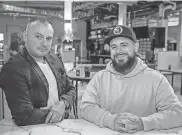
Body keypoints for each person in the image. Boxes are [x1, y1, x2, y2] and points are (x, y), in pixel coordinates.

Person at [80, 25, 182, 133]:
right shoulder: (99, 78)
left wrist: (145, 123)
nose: (118, 51)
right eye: (114, 47)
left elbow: (177, 113)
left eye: (124, 45)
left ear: (136, 47)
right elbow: (86, 107)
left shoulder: (156, 80)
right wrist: (110, 120)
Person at [0, 18, 76, 126]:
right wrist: (65, 114)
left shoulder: (55, 60)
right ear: (25, 36)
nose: (44, 43)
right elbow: (24, 116)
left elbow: (71, 90)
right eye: (38, 37)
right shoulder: (13, 68)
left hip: (61, 127)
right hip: (34, 129)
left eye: (48, 38)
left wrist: (62, 104)